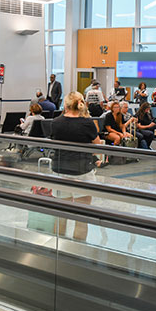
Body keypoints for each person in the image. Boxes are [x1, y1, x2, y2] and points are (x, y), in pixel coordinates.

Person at [48, 91, 102, 241]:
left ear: (65, 105)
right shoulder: (87, 123)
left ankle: (58, 247)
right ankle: (78, 248)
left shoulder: (56, 122)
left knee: (61, 214)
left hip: (59, 169)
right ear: (81, 105)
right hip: (82, 170)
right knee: (81, 216)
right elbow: (97, 144)